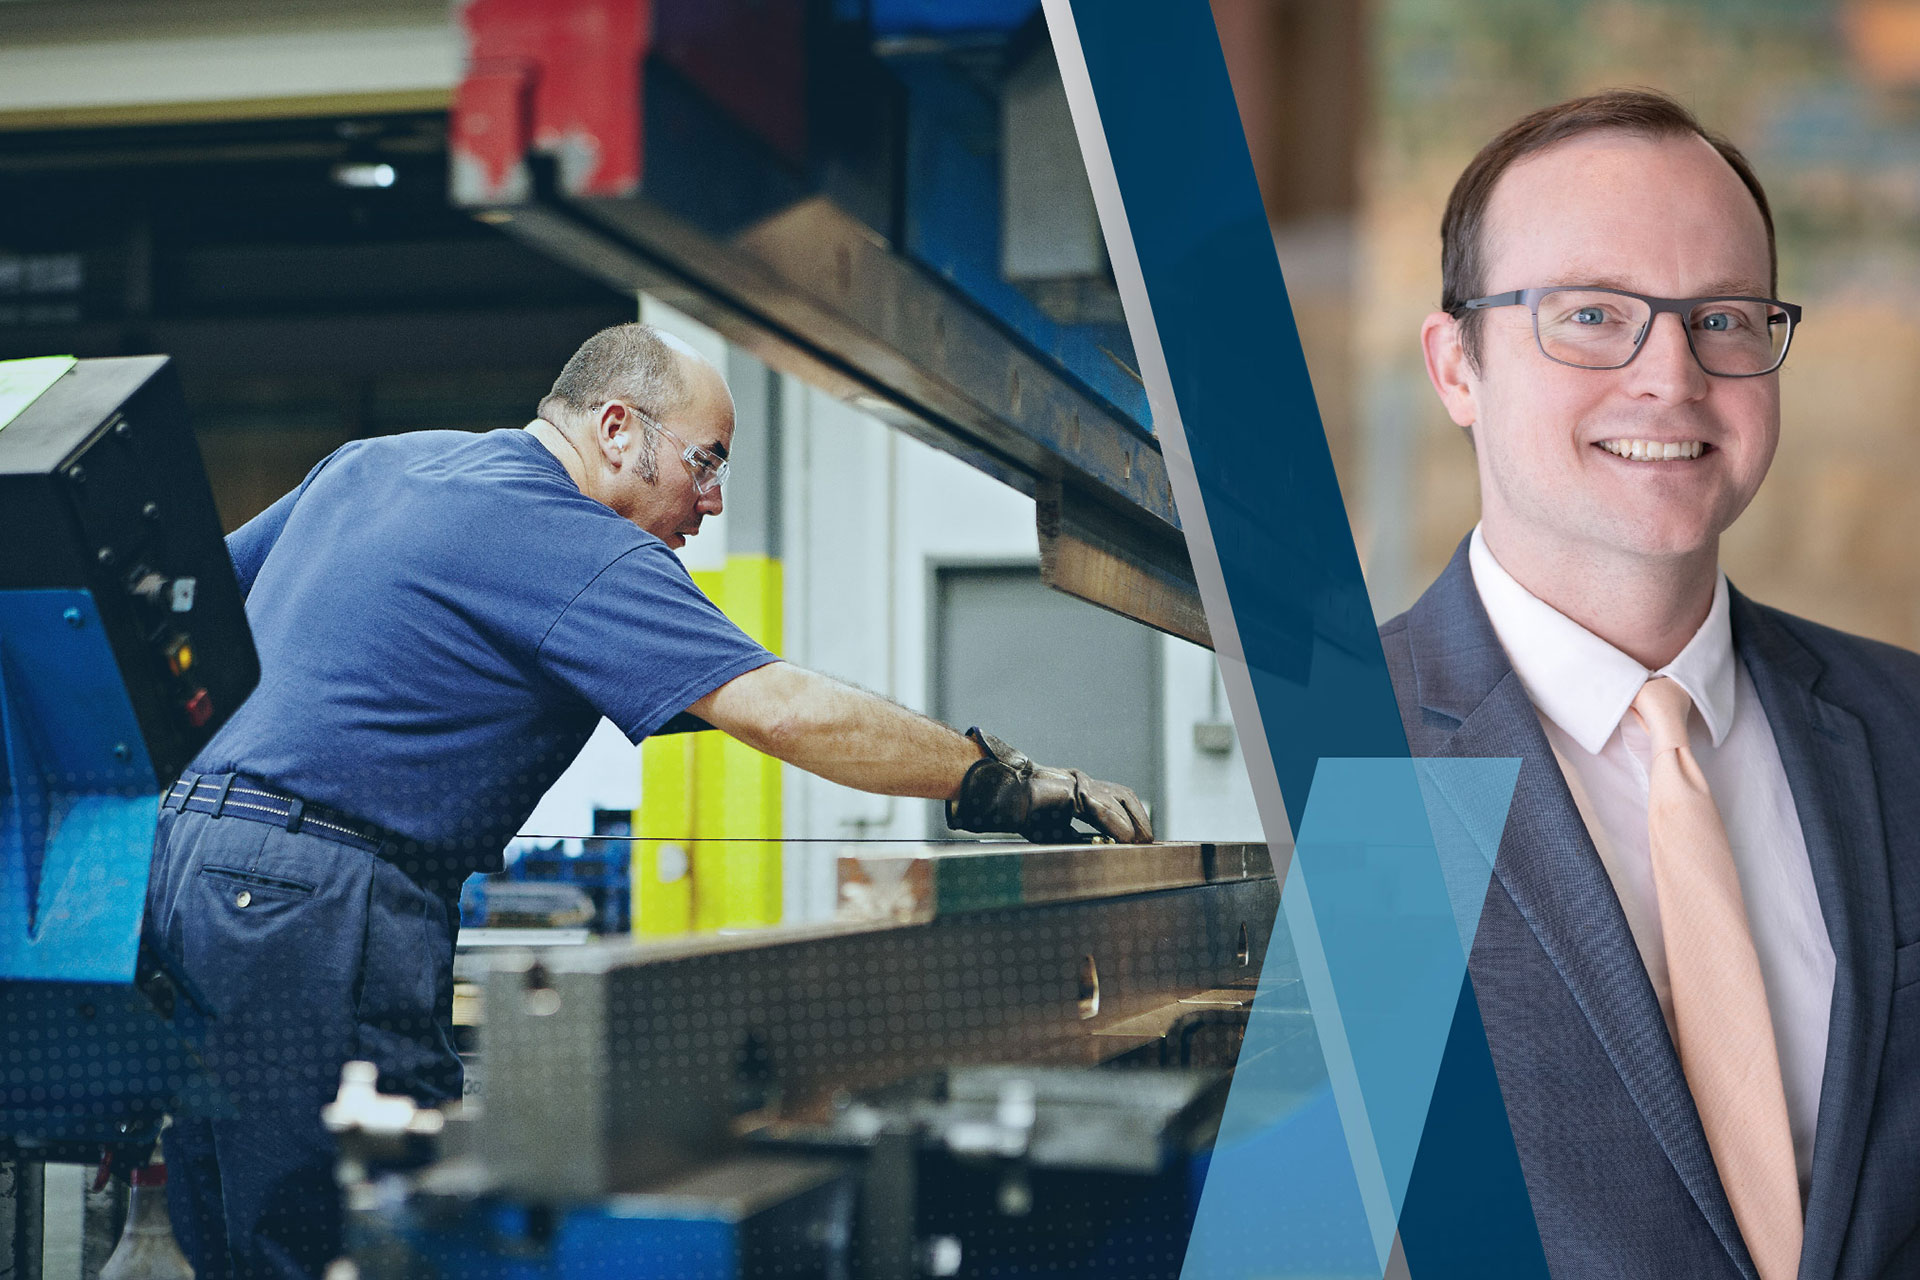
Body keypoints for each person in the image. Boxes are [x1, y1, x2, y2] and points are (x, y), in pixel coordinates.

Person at [142, 321, 1153, 1279]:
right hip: (318, 900)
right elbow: (787, 707)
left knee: (234, 1227)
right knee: (363, 1230)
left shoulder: (374, 463)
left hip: (183, 868)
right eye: (706, 461)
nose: (712, 502)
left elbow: (176, 613)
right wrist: (1011, 781)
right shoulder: (571, 537)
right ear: (617, 428)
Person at [1383, 89, 1920, 1280]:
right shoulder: (1351, 750)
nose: (1671, 376)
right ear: (1456, 362)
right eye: (1590, 314)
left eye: (1722, 316)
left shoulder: (1905, 729)